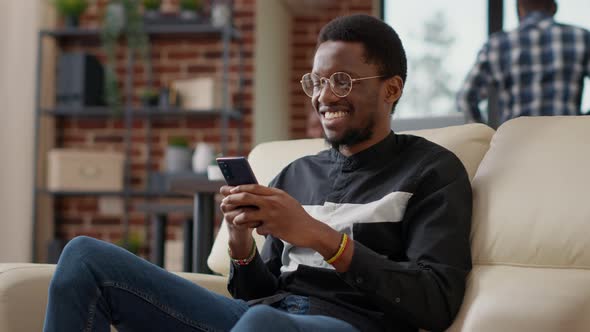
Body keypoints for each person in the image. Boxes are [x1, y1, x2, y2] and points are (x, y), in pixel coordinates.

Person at [43, 14, 472, 332]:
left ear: (391, 89)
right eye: (316, 82)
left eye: (342, 81)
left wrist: (319, 236)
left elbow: (434, 302)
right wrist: (240, 242)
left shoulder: (431, 170)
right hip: (265, 317)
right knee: (84, 257)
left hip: (353, 324)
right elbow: (256, 294)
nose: (324, 97)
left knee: (261, 325)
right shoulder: (295, 174)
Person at [457, 0, 590, 124]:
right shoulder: (581, 38)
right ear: (553, 7)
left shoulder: (496, 44)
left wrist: (487, 140)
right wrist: (583, 125)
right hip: (568, 142)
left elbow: (465, 99)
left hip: (514, 144)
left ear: (519, 9)